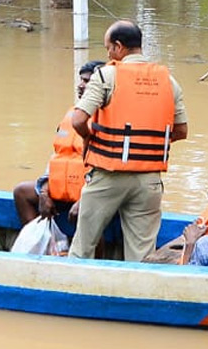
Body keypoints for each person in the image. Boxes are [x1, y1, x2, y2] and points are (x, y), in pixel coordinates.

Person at [69, 20, 188, 262]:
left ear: (118, 47)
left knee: (82, 248)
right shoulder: (169, 81)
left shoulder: (106, 75)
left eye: (108, 49)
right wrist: (146, 146)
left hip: (108, 175)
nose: (108, 54)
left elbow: (78, 120)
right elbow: (182, 131)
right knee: (142, 255)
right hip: (149, 180)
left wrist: (91, 139)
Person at [11, 60, 105, 234]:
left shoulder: (107, 119)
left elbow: (105, 172)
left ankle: (92, 259)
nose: (80, 86)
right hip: (63, 185)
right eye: (81, 80)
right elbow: (57, 156)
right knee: (21, 192)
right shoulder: (71, 115)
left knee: (88, 213)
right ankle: (41, 247)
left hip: (91, 191)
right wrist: (45, 192)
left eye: (87, 82)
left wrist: (83, 200)